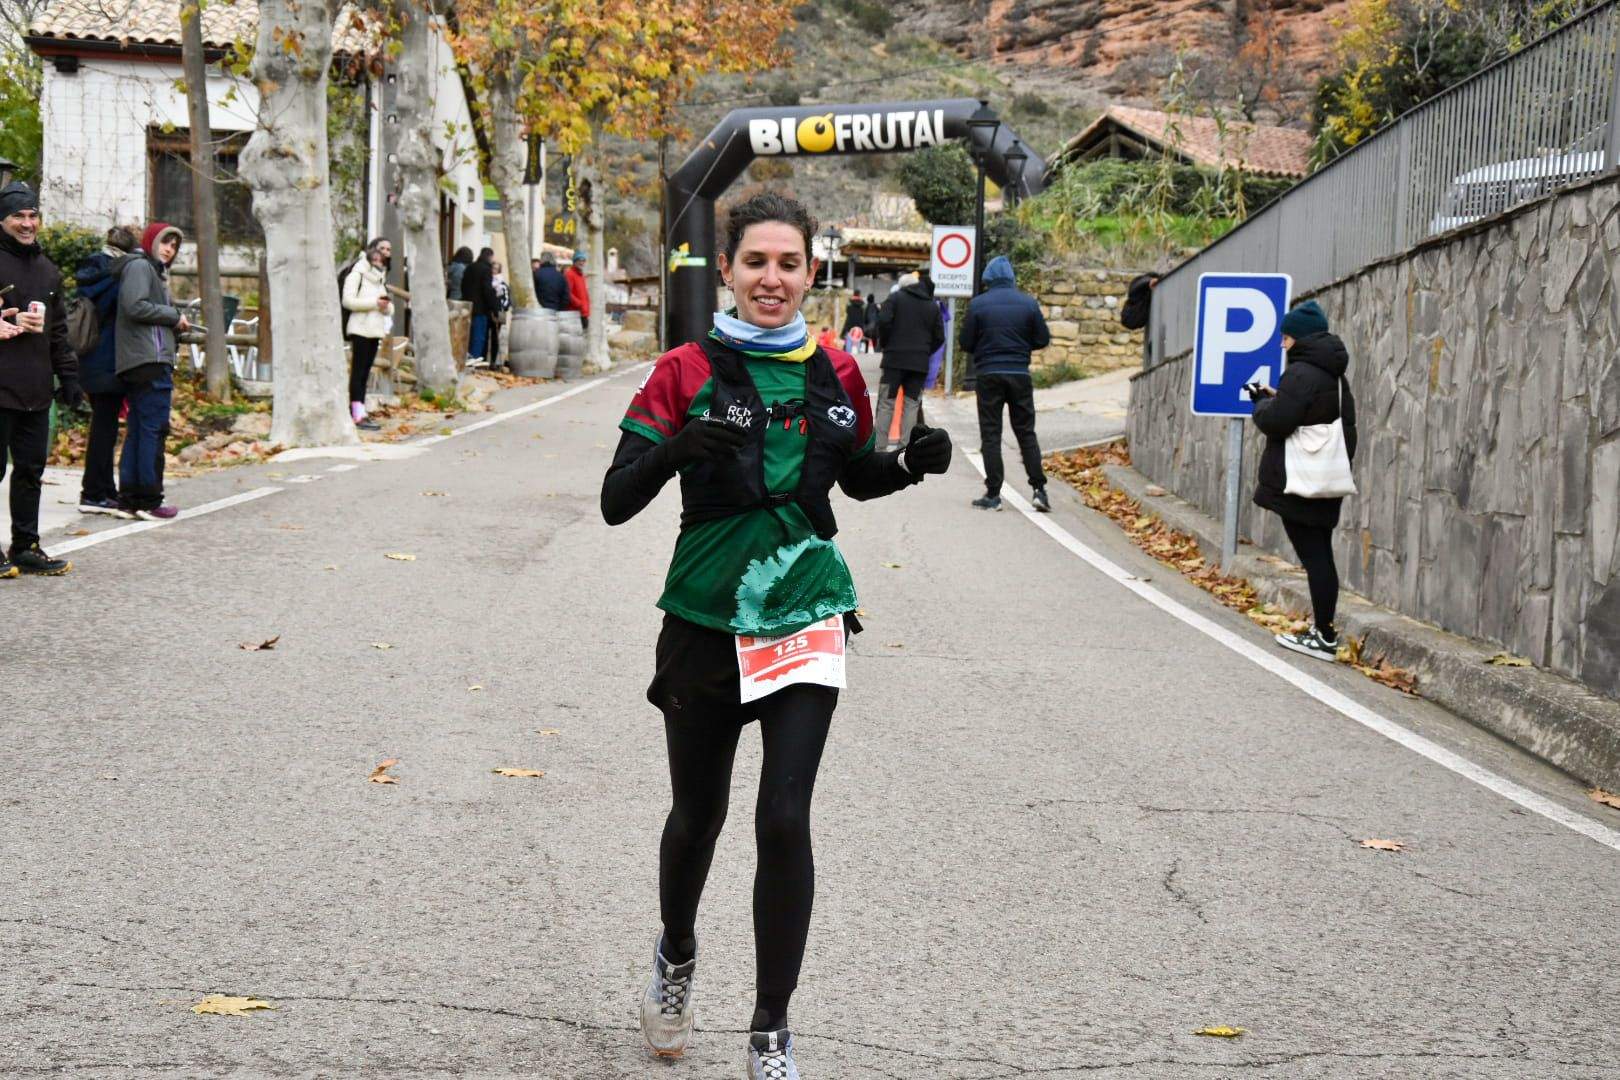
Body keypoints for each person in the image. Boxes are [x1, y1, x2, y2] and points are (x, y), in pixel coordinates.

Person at [601, 191, 951, 1080]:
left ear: (810, 273)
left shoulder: (837, 369)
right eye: (755, 261)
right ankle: (676, 958)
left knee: (785, 819)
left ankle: (770, 1032)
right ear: (727, 269)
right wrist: (682, 448)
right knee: (700, 816)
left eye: (788, 264)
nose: (772, 278)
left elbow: (856, 478)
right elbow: (616, 500)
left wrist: (908, 466)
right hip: (705, 617)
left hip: (805, 610)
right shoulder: (683, 369)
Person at [1249, 299, 1358, 662]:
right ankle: (1323, 631)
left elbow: (1277, 422)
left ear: (1300, 339)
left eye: (1286, 337)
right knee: (1320, 554)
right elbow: (1322, 418)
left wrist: (1259, 404)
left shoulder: (1300, 374)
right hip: (1325, 480)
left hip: (1300, 483)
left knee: (1315, 558)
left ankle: (1324, 635)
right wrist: (1278, 399)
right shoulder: (1335, 377)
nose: (1282, 344)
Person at [0, 181, 77, 576]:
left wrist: (70, 380)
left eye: (32, 215)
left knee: (31, 471)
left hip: (35, 387)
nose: (27, 223)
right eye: (18, 216)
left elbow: (59, 333)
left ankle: (26, 546)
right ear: (3, 220)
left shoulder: (49, 270)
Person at [958, 255, 1052, 512]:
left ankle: (994, 494)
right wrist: (1022, 348)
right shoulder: (1028, 304)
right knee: (1026, 432)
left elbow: (965, 342)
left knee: (991, 434)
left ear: (988, 279)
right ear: (1011, 278)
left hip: (988, 374)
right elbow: (1042, 339)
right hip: (1019, 373)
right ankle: (1039, 490)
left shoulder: (978, 305)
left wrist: (985, 347)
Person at [115, 222, 188, 521]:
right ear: (150, 242)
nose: (168, 250)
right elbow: (135, 306)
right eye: (164, 243)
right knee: (153, 430)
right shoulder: (141, 268)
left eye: (173, 246)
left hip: (143, 359)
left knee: (140, 429)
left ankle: (130, 499)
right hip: (150, 360)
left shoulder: (150, 271)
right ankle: (148, 499)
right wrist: (173, 315)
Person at [74, 224, 139, 518]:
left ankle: (103, 489)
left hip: (90, 358)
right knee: (104, 430)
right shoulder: (121, 273)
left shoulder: (93, 267)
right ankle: (94, 492)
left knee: (103, 428)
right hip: (110, 359)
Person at [873, 270, 943, 450]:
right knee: (912, 405)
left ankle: (879, 449)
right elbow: (939, 337)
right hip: (918, 364)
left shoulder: (895, 298)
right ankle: (905, 450)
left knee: (886, 403)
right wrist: (925, 351)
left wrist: (887, 344)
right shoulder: (931, 306)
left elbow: (883, 321)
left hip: (893, 362)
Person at [341, 237, 393, 431]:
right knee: (358, 371)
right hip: (360, 328)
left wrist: (386, 307)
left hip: (375, 329)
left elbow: (388, 306)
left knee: (365, 373)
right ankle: (356, 412)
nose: (382, 257)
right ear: (372, 252)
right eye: (380, 252)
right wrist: (374, 303)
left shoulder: (380, 277)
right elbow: (348, 301)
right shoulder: (358, 274)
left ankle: (360, 410)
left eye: (386, 252)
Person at [461, 247, 498, 365]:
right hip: (480, 308)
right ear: (490, 257)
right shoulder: (486, 270)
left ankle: (465, 359)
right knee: (478, 336)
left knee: (467, 336)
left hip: (467, 306)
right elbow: (488, 290)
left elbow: (463, 285)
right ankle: (475, 362)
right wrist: (494, 307)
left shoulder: (469, 267)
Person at [565, 250, 590, 331]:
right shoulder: (570, 274)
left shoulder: (581, 275)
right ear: (574, 261)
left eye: (583, 260)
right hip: (575, 314)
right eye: (579, 260)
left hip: (584, 313)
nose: (582, 263)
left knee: (585, 338)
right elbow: (568, 293)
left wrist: (586, 305)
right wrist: (579, 304)